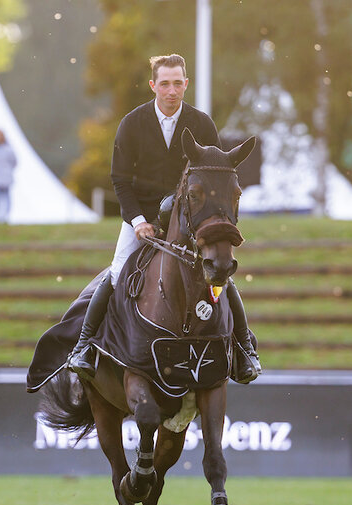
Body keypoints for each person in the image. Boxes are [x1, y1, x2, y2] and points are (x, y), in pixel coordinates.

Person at [67, 53, 261, 384]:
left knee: (220, 275)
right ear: (153, 85)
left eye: (177, 84)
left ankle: (245, 350)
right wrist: (138, 220)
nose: (172, 91)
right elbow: (120, 180)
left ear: (186, 84)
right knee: (116, 272)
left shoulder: (202, 124)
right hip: (141, 217)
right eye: (165, 84)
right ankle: (83, 347)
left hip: (188, 220)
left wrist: (208, 224)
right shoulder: (132, 123)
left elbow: (215, 180)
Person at [0, 129, 17, 223]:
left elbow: (14, 162)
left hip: (6, 176)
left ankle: (6, 215)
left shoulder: (8, 149)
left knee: (6, 196)